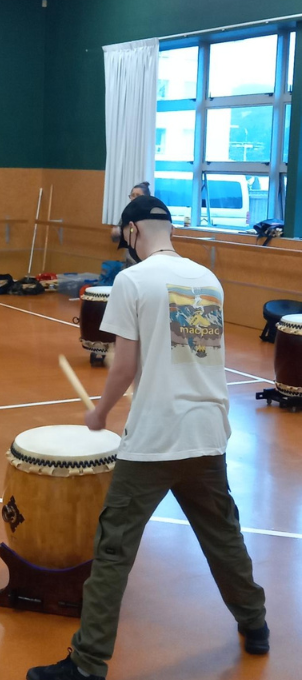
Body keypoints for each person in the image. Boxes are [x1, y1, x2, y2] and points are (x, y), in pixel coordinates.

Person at [26, 196, 268, 680]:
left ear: (132, 231)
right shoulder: (208, 280)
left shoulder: (131, 281)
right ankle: (255, 622)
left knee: (114, 549)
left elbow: (126, 365)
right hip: (208, 433)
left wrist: (100, 411)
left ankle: (87, 663)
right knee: (223, 536)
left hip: (156, 438)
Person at [110, 182, 151, 268]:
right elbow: (116, 239)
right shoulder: (127, 213)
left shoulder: (151, 214)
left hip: (146, 259)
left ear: (146, 197)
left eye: (138, 195)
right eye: (132, 195)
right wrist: (116, 233)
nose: (134, 198)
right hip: (130, 260)